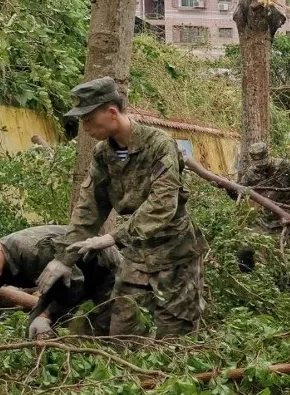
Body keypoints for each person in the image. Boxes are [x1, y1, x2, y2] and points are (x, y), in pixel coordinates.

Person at [39, 76, 208, 339]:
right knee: (123, 333)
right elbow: (89, 207)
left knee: (176, 340)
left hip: (175, 254)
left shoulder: (159, 144)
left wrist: (110, 238)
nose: (83, 127)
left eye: (87, 119)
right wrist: (64, 258)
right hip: (136, 256)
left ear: (111, 112)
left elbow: (162, 205)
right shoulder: (104, 154)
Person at [0, 224, 119, 339]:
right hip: (61, 284)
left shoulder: (34, 250)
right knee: (34, 332)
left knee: (96, 333)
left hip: (103, 270)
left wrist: (47, 315)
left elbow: (74, 283)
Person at [228, 142, 290, 272]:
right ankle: (253, 274)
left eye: (263, 163)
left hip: (287, 216)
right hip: (266, 220)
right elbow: (239, 193)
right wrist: (228, 188)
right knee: (248, 248)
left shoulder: (283, 166)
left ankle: (288, 275)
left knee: (288, 254)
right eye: (258, 165)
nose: (260, 168)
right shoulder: (251, 173)